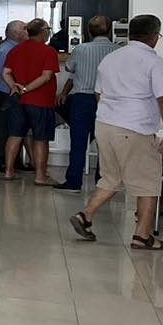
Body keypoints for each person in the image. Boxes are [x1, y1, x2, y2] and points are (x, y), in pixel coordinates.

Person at [68, 13, 163, 250]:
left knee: (111, 177)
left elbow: (99, 94)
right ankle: (143, 236)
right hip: (135, 128)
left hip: (106, 126)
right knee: (149, 181)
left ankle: (85, 216)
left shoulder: (111, 59)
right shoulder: (154, 62)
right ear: (155, 36)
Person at [57, 14, 115, 192]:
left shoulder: (81, 49)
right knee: (105, 144)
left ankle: (73, 182)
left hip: (81, 101)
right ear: (110, 30)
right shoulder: (117, 51)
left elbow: (70, 70)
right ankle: (102, 182)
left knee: (78, 143)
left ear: (88, 31)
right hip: (107, 102)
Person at [1, 18, 61, 185]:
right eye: (48, 29)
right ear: (43, 32)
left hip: (18, 101)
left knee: (15, 135)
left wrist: (14, 86)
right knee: (41, 139)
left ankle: (8, 171)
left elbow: (5, 72)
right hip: (41, 101)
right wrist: (26, 88)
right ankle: (40, 176)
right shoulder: (48, 51)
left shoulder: (15, 50)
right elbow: (47, 76)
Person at [0, 20, 29, 173]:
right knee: (2, 128)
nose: (27, 31)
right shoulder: (4, 51)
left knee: (15, 127)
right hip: (3, 93)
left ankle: (14, 160)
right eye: (25, 29)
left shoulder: (17, 49)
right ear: (16, 33)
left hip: (14, 93)